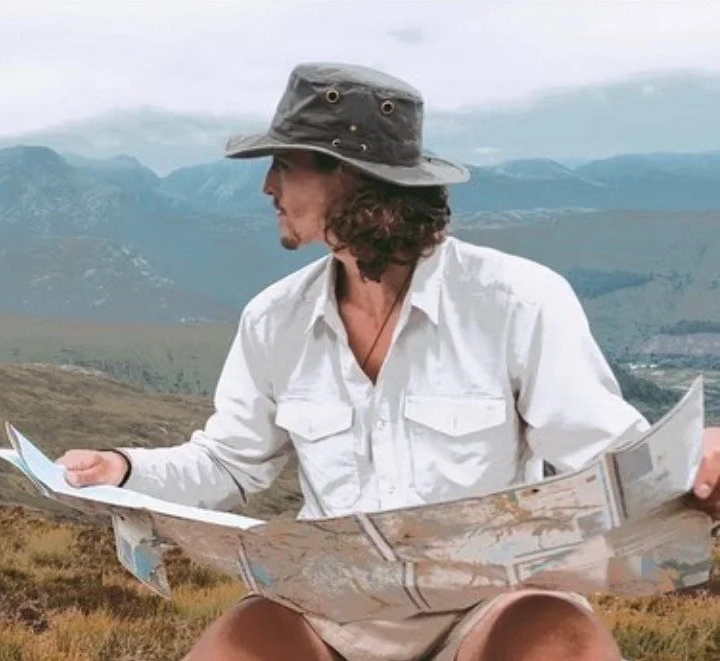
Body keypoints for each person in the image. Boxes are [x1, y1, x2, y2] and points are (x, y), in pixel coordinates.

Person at [56, 62, 720, 661]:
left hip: (490, 606)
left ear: (347, 176)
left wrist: (695, 465)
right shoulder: (272, 319)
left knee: (562, 643)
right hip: (325, 613)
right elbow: (228, 464)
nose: (266, 185)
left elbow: (609, 457)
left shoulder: (518, 301)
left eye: (286, 163)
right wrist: (123, 468)